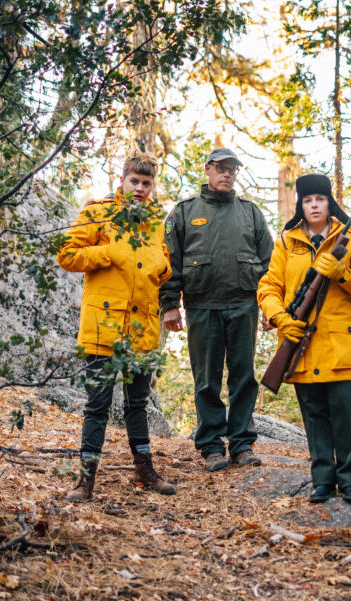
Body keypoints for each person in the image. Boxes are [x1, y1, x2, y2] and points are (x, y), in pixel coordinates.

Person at [56, 151, 176, 501]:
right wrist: (107, 252)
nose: (139, 188)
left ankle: (145, 469)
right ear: (121, 181)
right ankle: (85, 481)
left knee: (137, 405)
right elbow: (66, 254)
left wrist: (164, 267)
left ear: (153, 187)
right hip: (102, 329)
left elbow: (160, 263)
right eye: (134, 181)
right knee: (97, 406)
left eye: (146, 183)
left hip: (142, 331)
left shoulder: (155, 221)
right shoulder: (98, 212)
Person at [257, 174, 351, 505]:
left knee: (346, 413)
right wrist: (280, 317)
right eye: (308, 200)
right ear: (301, 204)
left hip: (341, 345)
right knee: (314, 416)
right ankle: (322, 480)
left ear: (329, 203)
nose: (314, 205)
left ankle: (350, 481)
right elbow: (268, 287)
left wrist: (342, 273)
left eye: (320, 199)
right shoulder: (286, 243)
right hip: (302, 345)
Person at [159, 148, 274, 472]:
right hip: (201, 306)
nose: (227, 174)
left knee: (243, 378)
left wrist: (269, 306)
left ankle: (241, 445)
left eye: (232, 169)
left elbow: (270, 264)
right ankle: (211, 447)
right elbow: (168, 263)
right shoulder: (184, 212)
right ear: (208, 169)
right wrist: (170, 306)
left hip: (243, 305)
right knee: (206, 381)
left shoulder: (250, 214)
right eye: (221, 168)